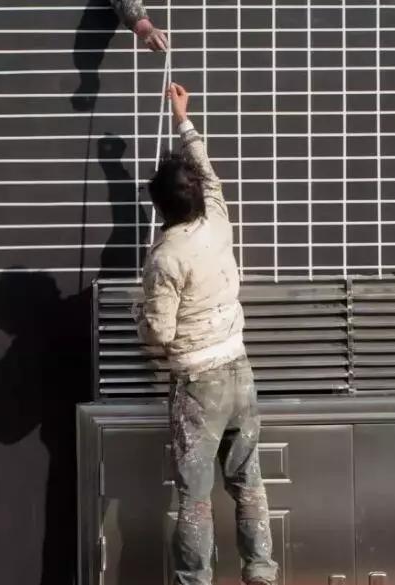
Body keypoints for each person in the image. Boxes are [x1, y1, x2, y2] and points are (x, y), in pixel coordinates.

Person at [134, 83, 279, 585]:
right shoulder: (217, 219)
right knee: (248, 482)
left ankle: (195, 581)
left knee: (195, 497)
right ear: (195, 193)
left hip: (198, 385)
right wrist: (183, 119)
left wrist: (139, 316)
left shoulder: (165, 257)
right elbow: (208, 174)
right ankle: (261, 574)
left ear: (159, 207)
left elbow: (158, 333)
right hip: (240, 371)